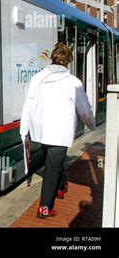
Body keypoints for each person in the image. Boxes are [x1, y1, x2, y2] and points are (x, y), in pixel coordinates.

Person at [20, 42, 96, 219]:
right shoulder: (74, 83)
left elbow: (28, 105)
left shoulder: (38, 78)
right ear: (68, 61)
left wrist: (24, 130)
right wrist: (92, 125)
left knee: (54, 162)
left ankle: (61, 187)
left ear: (52, 58)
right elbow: (84, 110)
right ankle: (44, 208)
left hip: (41, 132)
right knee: (52, 169)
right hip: (60, 134)